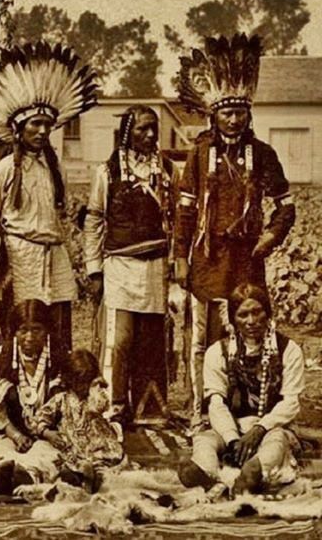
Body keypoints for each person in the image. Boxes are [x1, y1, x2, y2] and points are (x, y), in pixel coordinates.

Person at [174, 34, 296, 422]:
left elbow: (285, 206)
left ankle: (247, 407)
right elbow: (185, 211)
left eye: (240, 112)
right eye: (227, 113)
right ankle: (203, 410)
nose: (233, 119)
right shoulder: (199, 154)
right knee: (204, 338)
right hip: (208, 260)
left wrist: (270, 237)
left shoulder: (262, 154)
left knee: (248, 328)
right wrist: (180, 256)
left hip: (247, 258)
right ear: (214, 115)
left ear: (248, 114)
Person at [0, 41, 98, 359]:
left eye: (47, 125)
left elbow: (60, 213)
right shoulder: (3, 170)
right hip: (19, 255)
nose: (41, 130)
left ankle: (57, 383)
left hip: (55, 254)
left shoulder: (55, 168)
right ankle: (17, 382)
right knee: (22, 321)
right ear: (18, 128)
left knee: (58, 322)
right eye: (34, 124)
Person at [83, 106, 174, 423]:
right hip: (120, 265)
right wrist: (94, 269)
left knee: (151, 338)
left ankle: (148, 408)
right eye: (142, 129)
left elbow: (175, 221)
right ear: (126, 132)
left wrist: (176, 263)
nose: (149, 135)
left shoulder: (166, 171)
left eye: (153, 129)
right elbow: (94, 220)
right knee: (119, 340)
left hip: (156, 266)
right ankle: (114, 405)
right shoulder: (106, 173)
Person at [177, 284, 304, 495]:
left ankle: (253, 474)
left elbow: (290, 402)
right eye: (243, 314)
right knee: (205, 440)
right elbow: (216, 403)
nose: (251, 321)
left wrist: (259, 429)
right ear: (232, 319)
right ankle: (207, 475)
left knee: (276, 444)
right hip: (230, 428)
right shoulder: (217, 352)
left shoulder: (288, 350)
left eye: (257, 312)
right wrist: (232, 439)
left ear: (268, 313)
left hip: (272, 428)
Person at [0, 299, 65, 493]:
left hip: (49, 435)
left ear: (48, 331)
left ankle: (26, 476)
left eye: (36, 330)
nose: (29, 337)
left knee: (45, 455)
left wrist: (47, 433)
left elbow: (67, 406)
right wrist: (16, 435)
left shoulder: (60, 358)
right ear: (14, 332)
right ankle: (6, 475)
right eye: (23, 330)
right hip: (7, 432)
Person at [33, 349, 124, 490]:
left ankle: (97, 477)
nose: (83, 387)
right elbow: (40, 417)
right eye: (79, 382)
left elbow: (103, 405)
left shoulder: (94, 397)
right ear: (69, 380)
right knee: (60, 462)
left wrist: (97, 385)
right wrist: (47, 433)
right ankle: (79, 476)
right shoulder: (61, 399)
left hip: (97, 445)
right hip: (72, 446)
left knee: (105, 464)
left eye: (87, 382)